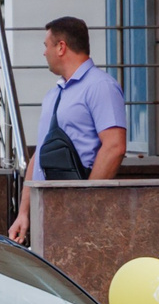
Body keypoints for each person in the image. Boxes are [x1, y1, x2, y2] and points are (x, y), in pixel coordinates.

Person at [8, 17, 128, 245]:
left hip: (76, 210)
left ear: (61, 47)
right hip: (49, 209)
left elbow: (114, 146)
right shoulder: (54, 94)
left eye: (46, 45)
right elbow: (39, 154)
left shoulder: (100, 86)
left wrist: (85, 204)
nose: (44, 53)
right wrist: (24, 213)